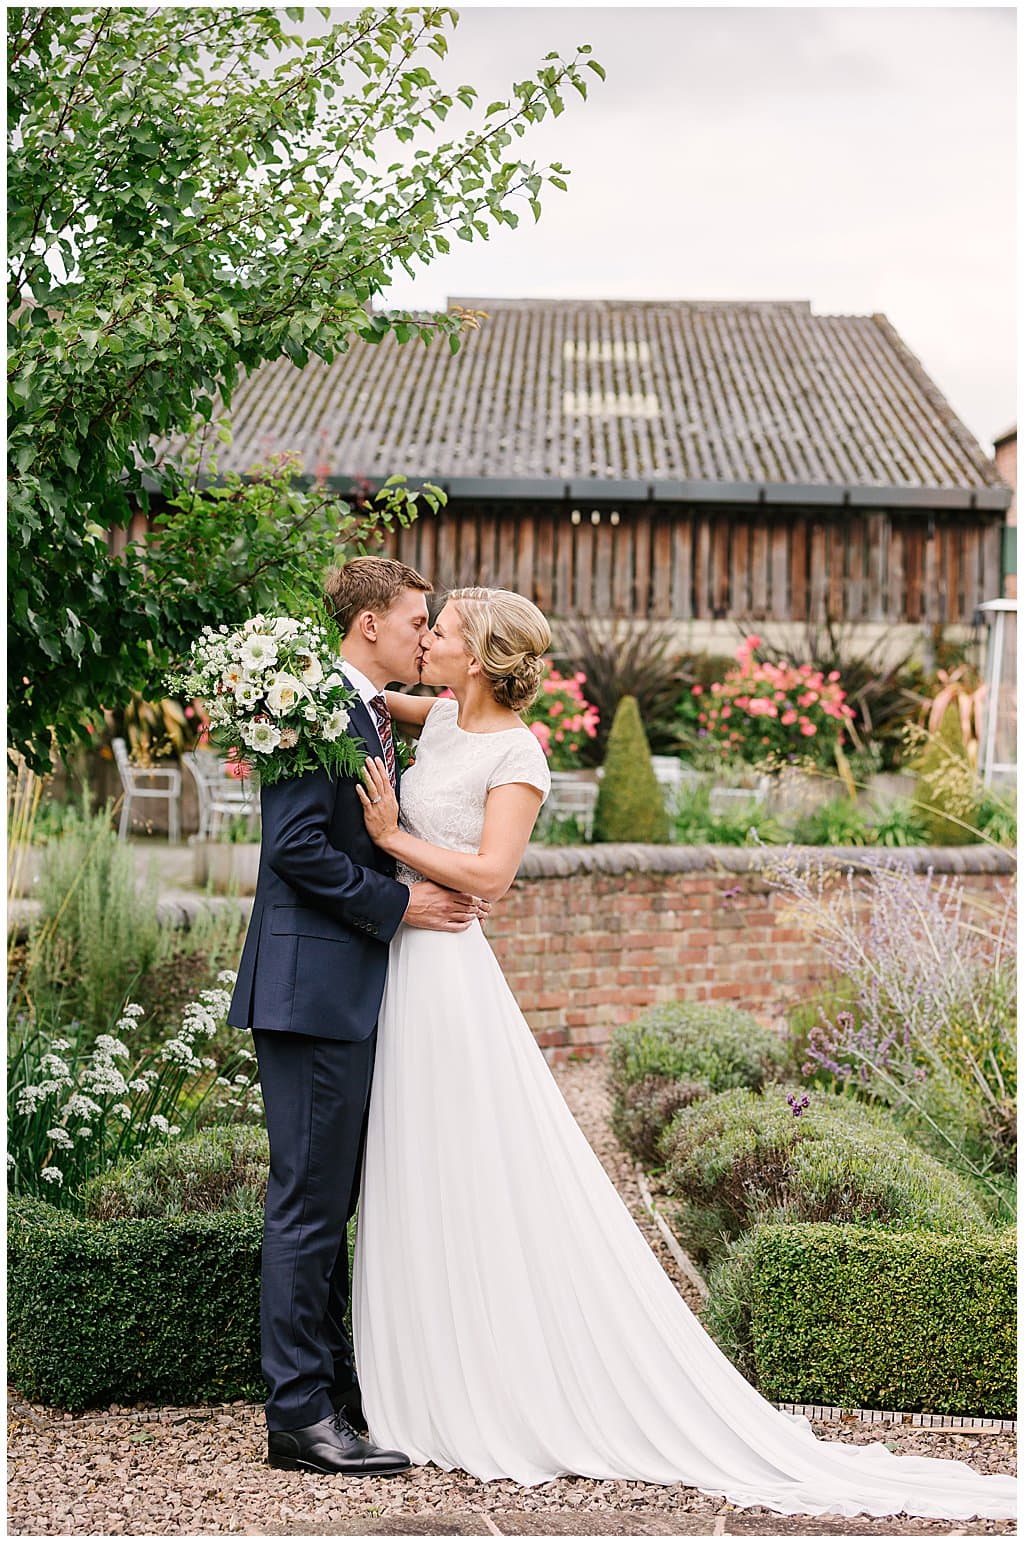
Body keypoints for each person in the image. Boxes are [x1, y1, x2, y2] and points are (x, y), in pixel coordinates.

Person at [351, 585, 1017, 1522]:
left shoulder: (516, 751)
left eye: (446, 629)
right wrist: (325, 689)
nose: (430, 638)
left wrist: (391, 836)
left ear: (484, 654)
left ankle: (480, 1377)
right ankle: (410, 1368)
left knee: (467, 1165)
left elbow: (494, 875)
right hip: (403, 966)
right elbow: (375, 697)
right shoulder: (442, 715)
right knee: (413, 1166)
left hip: (450, 966)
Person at [228, 557, 491, 1477]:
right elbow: (295, 847)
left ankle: (333, 1386)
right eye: (418, 619)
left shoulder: (369, 709)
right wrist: (400, 904)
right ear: (370, 622)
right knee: (306, 1203)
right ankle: (298, 1416)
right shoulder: (316, 707)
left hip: (341, 989)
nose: (426, 635)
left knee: (330, 1198)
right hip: (309, 992)